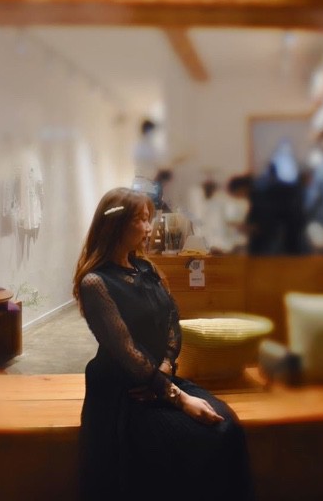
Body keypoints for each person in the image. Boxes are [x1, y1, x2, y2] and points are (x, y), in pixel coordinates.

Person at [73, 187, 254, 500]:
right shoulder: (96, 282)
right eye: (141, 220)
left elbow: (172, 320)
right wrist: (178, 398)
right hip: (124, 391)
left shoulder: (146, 268)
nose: (148, 227)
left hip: (159, 379)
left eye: (149, 218)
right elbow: (125, 350)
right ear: (116, 225)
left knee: (227, 424)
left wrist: (166, 368)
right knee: (197, 438)